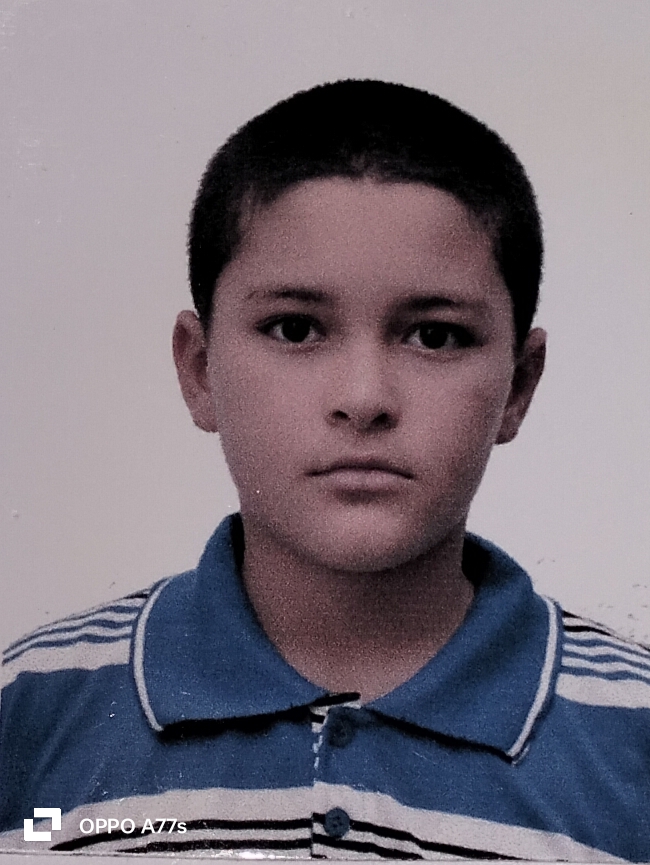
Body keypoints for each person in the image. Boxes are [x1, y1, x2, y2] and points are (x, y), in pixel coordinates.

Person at [1, 79, 648, 861]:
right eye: (295, 327)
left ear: (518, 385)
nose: (363, 398)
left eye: (436, 336)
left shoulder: (633, 740)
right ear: (200, 369)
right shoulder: (30, 711)